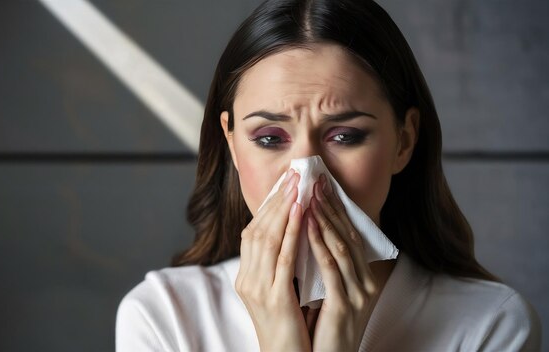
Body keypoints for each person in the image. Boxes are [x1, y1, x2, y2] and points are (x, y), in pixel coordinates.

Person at [116, 0, 541, 350]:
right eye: (268, 138)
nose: (308, 175)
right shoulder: (164, 316)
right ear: (230, 140)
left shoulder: (490, 324)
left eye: (345, 135)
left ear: (404, 141)